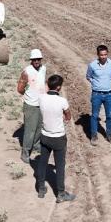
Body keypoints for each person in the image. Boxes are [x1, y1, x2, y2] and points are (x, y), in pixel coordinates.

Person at [35, 74, 77, 203]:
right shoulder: (62, 101)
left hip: (45, 136)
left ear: (48, 85)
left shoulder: (41, 98)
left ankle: (41, 189)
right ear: (58, 87)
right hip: (58, 137)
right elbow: (68, 116)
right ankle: (60, 193)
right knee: (60, 166)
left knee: (42, 162)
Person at [17, 48, 47, 163]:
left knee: (40, 128)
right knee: (30, 130)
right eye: (34, 59)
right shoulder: (26, 72)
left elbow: (42, 83)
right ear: (31, 60)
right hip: (31, 105)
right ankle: (25, 153)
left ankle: (36, 145)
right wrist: (29, 96)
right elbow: (20, 89)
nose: (37, 61)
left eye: (38, 59)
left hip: (41, 103)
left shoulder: (43, 69)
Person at [85, 44, 111, 146]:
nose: (104, 57)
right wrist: (94, 83)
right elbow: (88, 76)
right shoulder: (92, 65)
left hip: (109, 94)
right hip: (96, 94)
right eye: (101, 55)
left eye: (105, 54)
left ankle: (109, 135)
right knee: (94, 115)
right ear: (98, 55)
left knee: (110, 115)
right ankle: (94, 135)